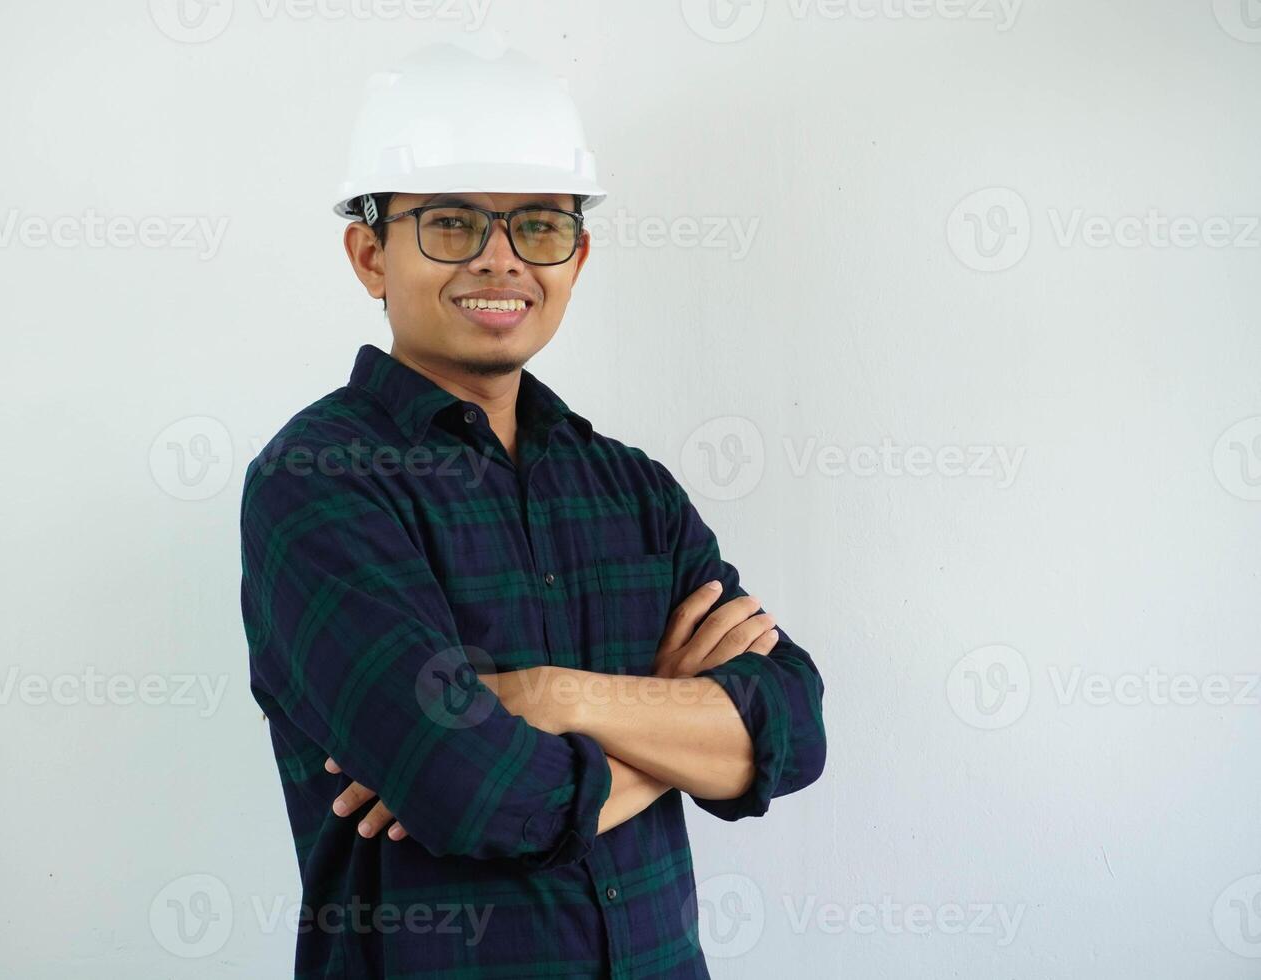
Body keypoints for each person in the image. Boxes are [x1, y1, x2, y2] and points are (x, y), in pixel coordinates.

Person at [238, 38, 826, 979]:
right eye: (451, 224)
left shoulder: (633, 490)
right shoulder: (317, 482)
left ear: (578, 255)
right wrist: (680, 722)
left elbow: (792, 731)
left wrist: (557, 697)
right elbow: (475, 796)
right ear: (368, 255)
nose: (501, 261)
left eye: (539, 227)